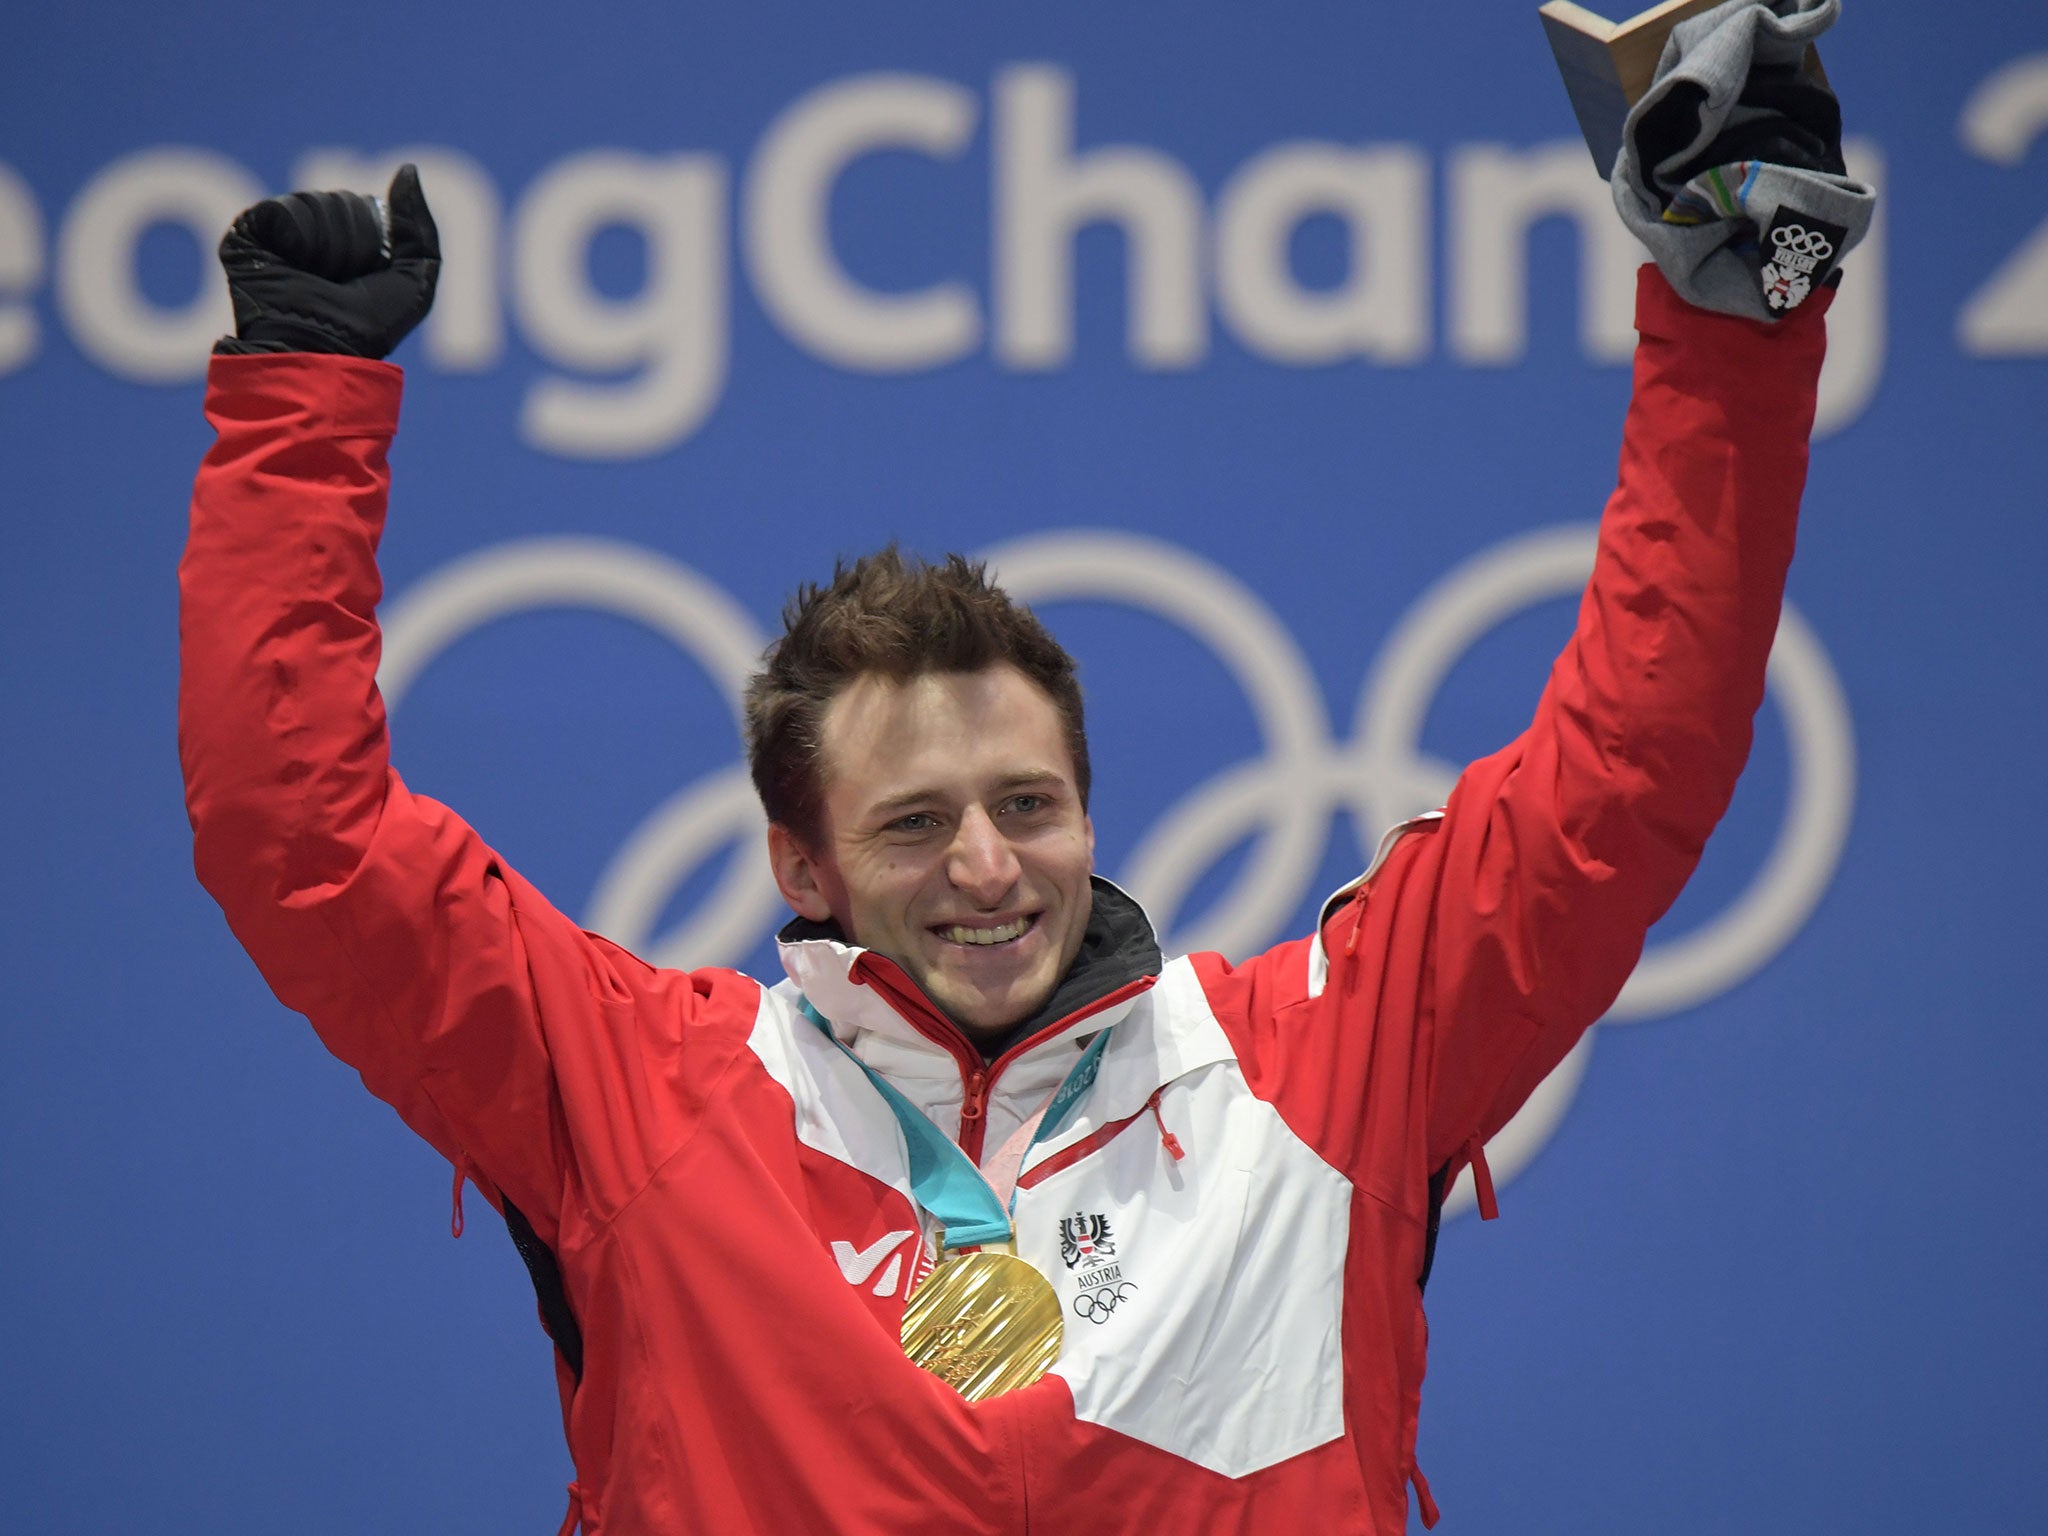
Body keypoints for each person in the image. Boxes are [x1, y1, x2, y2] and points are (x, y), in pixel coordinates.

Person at [178, 11, 1868, 1532]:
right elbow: (298, 843)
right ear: (802, 864)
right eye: (913, 825)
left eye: (1027, 806)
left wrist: (1732, 322)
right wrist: (297, 411)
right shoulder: (644, 1102)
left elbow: (1632, 763)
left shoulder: (1332, 1064)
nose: (989, 868)